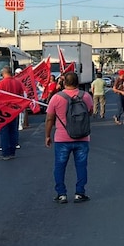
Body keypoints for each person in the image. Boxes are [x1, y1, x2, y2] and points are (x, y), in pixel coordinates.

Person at [45, 72, 94, 204]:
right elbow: (90, 112)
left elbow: (49, 118)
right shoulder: (86, 96)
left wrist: (47, 135)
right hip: (82, 137)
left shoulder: (56, 98)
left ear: (64, 83)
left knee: (60, 166)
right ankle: (80, 193)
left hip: (62, 138)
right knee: (81, 166)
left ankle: (61, 194)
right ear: (78, 82)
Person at [0, 66, 25, 160]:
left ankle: (5, 153)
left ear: (4, 73)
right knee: (13, 130)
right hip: (15, 109)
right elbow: (21, 95)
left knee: (4, 131)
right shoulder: (17, 83)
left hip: (4, 110)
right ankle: (12, 151)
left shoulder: (1, 83)